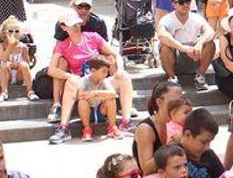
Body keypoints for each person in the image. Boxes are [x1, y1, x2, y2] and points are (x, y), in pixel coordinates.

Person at [47, 10, 136, 144]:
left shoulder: (93, 37)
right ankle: (64, 127)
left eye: (77, 23)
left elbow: (116, 54)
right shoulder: (63, 45)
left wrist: (120, 69)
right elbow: (51, 70)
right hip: (81, 82)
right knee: (71, 81)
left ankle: (126, 122)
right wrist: (69, 75)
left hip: (101, 80)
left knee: (124, 77)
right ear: (64, 27)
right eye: (72, 25)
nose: (76, 27)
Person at [156, 0, 216, 91]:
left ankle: (200, 76)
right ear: (174, 5)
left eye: (188, 1)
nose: (185, 5)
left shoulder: (197, 18)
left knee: (211, 44)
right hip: (174, 58)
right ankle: (172, 78)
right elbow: (162, 35)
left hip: (195, 56)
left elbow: (210, 32)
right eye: (181, 2)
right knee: (164, 46)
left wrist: (200, 44)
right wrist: (183, 48)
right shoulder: (166, 19)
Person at [76, 57, 122, 142]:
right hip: (88, 113)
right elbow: (81, 95)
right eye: (103, 71)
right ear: (93, 71)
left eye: (107, 71)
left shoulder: (105, 81)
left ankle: (112, 127)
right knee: (82, 102)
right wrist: (102, 95)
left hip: (101, 111)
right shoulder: (84, 80)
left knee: (110, 100)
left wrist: (94, 93)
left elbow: (113, 93)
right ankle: (87, 129)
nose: (106, 74)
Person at [0, 15, 36, 101]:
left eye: (16, 31)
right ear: (5, 33)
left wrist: (18, 65)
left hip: (19, 75)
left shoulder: (22, 46)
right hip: (6, 75)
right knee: (4, 65)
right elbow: (3, 59)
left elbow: (27, 64)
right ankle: (4, 92)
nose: (14, 34)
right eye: (10, 31)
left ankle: (30, 92)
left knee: (23, 65)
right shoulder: (2, 46)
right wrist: (10, 46)